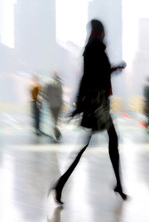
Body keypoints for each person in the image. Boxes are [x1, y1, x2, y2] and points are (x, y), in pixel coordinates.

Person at [50, 19, 127, 205]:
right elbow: (89, 77)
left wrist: (114, 68)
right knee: (90, 145)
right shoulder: (95, 48)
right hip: (97, 104)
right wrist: (78, 106)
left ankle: (118, 185)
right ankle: (60, 185)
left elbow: (96, 73)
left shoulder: (94, 47)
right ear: (99, 31)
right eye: (103, 30)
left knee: (105, 142)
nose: (104, 33)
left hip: (97, 103)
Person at [44, 71, 63, 141]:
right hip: (58, 104)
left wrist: (48, 101)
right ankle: (57, 133)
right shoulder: (58, 83)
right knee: (56, 119)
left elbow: (45, 94)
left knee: (53, 119)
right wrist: (61, 103)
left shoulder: (48, 83)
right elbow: (59, 94)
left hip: (51, 104)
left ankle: (56, 132)